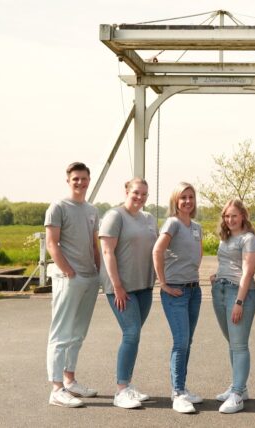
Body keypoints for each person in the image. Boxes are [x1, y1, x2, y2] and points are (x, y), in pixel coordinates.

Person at [45, 161, 100, 408]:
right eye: (75, 178)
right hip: (69, 278)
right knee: (61, 333)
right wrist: (69, 272)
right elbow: (51, 244)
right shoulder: (58, 207)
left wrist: (98, 272)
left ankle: (70, 380)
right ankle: (56, 388)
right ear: (68, 181)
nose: (80, 182)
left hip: (90, 277)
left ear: (89, 180)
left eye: (84, 178)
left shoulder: (92, 210)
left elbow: (93, 245)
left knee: (78, 333)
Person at [99, 178, 158, 409]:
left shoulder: (149, 219)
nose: (140, 198)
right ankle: (121, 390)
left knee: (134, 335)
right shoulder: (115, 216)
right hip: (121, 289)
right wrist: (117, 286)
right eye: (136, 193)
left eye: (144, 194)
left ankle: (129, 386)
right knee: (131, 333)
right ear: (126, 191)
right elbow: (107, 251)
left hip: (144, 285)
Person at [152, 182, 203, 414]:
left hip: (194, 290)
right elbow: (157, 251)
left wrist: (192, 274)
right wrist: (163, 283)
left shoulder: (196, 226)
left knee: (188, 342)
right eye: (183, 198)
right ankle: (178, 393)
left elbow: (197, 253)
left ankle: (182, 387)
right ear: (176, 201)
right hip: (175, 291)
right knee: (180, 342)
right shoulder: (172, 223)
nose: (187, 201)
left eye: (191, 197)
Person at [210, 199, 255, 414]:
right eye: (226, 216)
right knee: (232, 341)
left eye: (234, 216)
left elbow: (247, 272)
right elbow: (228, 263)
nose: (230, 220)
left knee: (239, 345)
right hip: (219, 289)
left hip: (239, 293)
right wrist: (218, 275)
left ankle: (237, 394)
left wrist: (239, 301)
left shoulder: (248, 239)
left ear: (243, 216)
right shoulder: (226, 237)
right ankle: (239, 386)